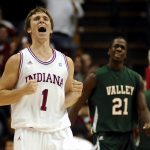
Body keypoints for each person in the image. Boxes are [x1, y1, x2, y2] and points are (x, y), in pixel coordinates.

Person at [0, 7, 83, 150]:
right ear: (29, 29)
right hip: (29, 132)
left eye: (45, 19)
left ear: (51, 29)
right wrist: (22, 91)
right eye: (36, 19)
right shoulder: (18, 60)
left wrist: (75, 96)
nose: (41, 21)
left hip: (59, 132)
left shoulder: (66, 62)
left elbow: (64, 102)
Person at [69, 37, 150, 150]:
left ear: (126, 54)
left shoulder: (136, 79)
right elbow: (77, 105)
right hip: (105, 137)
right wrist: (66, 128)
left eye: (122, 47)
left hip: (128, 137)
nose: (119, 49)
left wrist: (147, 123)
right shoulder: (95, 77)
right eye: (116, 46)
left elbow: (143, 108)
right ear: (109, 51)